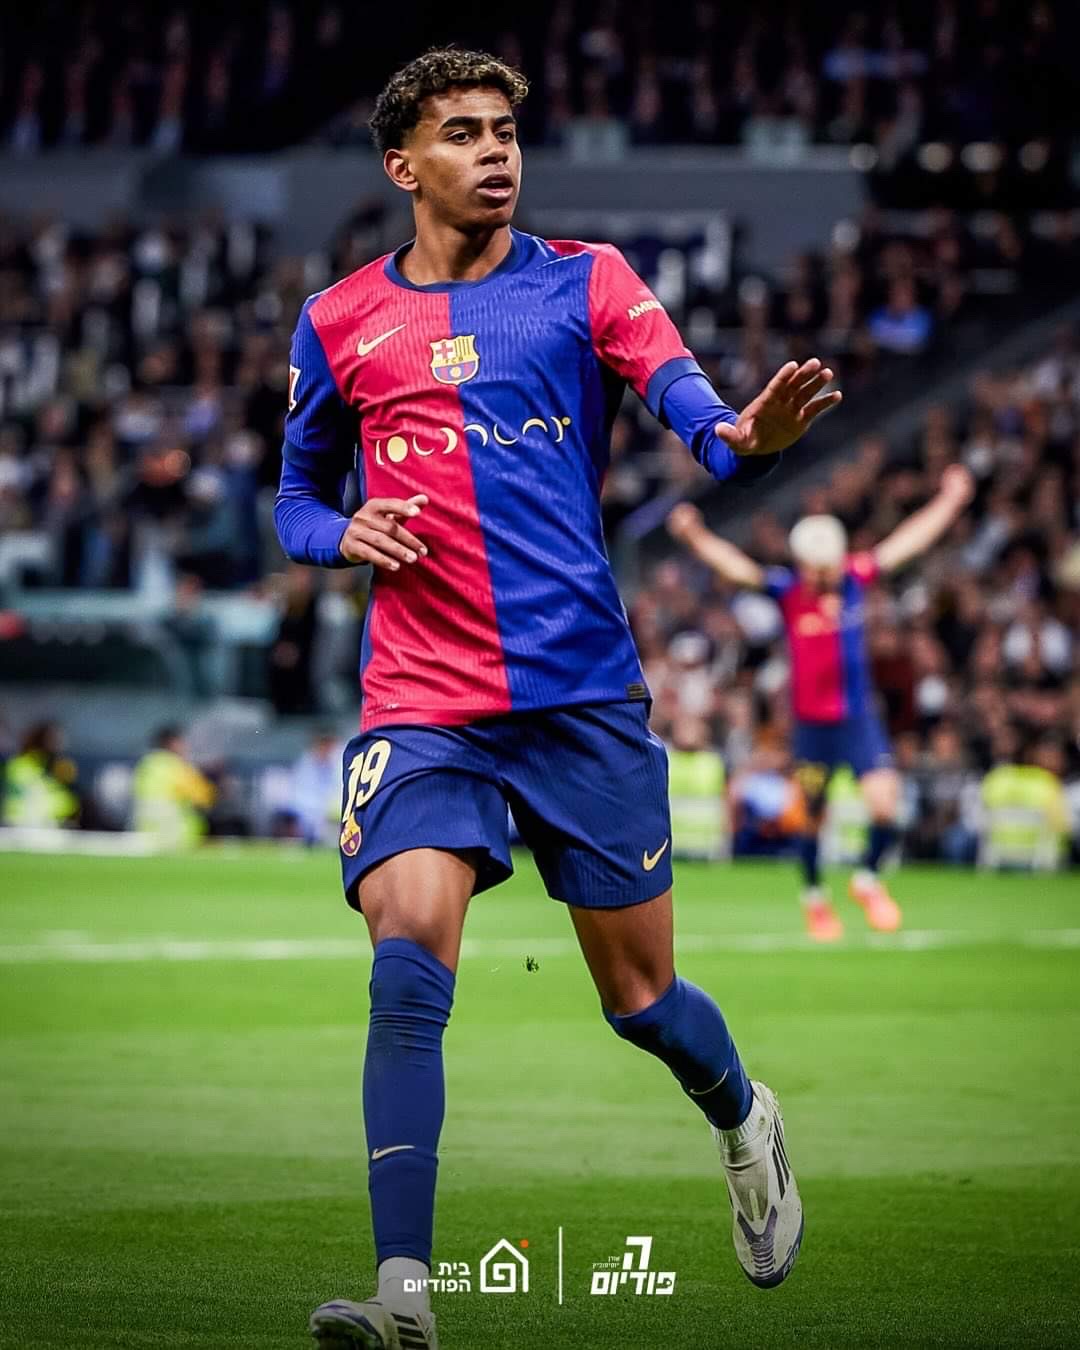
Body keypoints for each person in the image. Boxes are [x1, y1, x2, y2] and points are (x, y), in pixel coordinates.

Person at [275, 48, 841, 1349]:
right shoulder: (339, 319)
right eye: (463, 132)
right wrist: (339, 533)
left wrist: (739, 440)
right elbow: (295, 499)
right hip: (425, 700)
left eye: (506, 131)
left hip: (578, 693)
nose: (495, 151)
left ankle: (742, 1115)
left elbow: (691, 406)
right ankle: (404, 1296)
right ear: (402, 164)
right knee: (407, 964)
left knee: (640, 1002)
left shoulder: (589, 282)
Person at [668, 463, 975, 943]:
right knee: (811, 819)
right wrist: (694, 535)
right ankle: (814, 898)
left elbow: (908, 542)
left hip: (857, 719)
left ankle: (866, 880)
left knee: (885, 805)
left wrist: (950, 501)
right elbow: (736, 566)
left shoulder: (855, 578)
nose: (823, 572)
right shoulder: (788, 592)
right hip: (812, 726)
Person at [130, 726, 216, 849]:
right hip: (175, 830)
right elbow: (202, 797)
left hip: (145, 827)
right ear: (173, 743)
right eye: (182, 741)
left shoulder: (147, 763)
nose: (186, 746)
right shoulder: (175, 765)